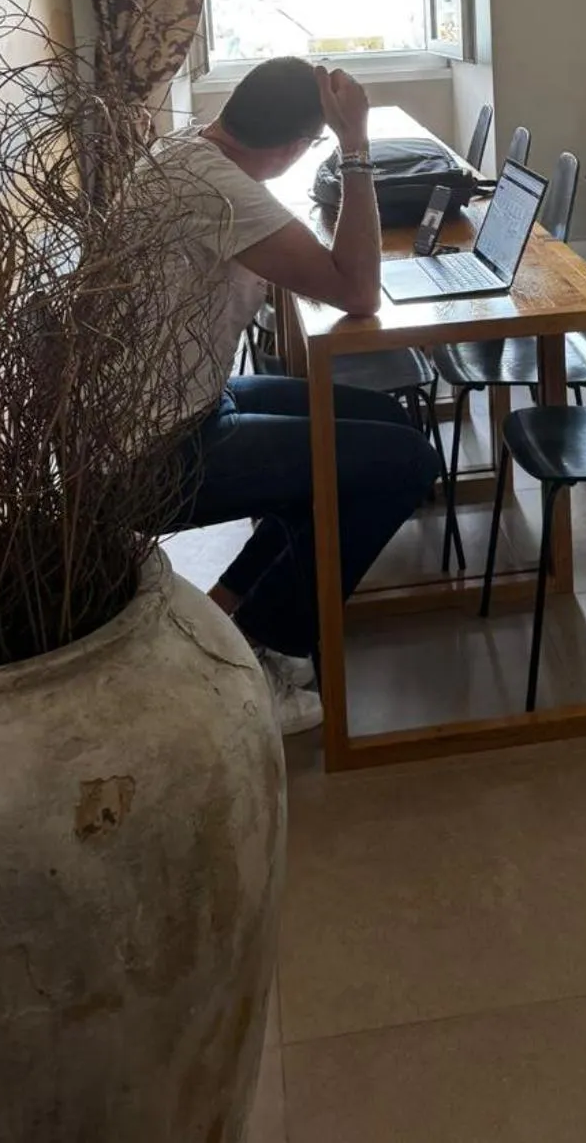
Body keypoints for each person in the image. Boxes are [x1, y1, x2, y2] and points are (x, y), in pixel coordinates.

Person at [149, 56, 438, 734]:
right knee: (405, 464)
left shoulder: (186, 151)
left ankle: (232, 610)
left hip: (183, 405)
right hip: (161, 448)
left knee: (381, 420)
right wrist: (356, 148)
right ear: (292, 147)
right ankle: (268, 653)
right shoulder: (223, 192)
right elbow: (358, 292)